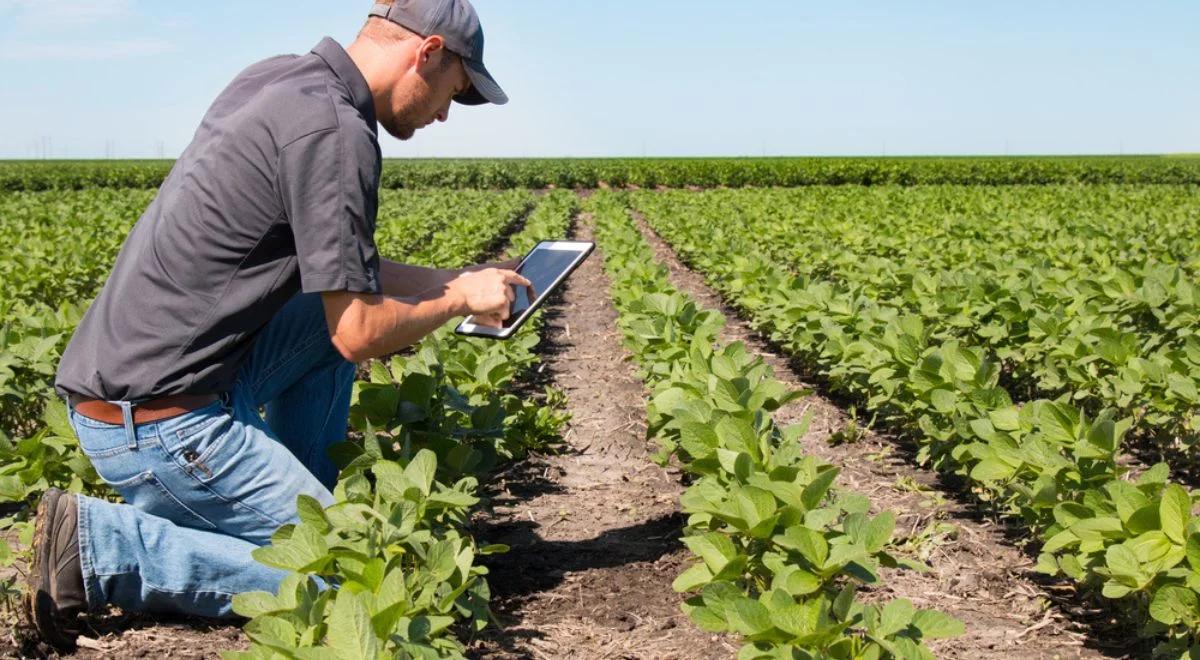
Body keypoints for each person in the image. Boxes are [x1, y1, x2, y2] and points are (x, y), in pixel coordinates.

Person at [26, 0, 528, 649]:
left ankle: (288, 503)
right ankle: (104, 546)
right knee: (353, 581)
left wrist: (455, 278)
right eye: (452, 93)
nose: (442, 114)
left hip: (146, 382)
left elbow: (347, 283)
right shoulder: (339, 135)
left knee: (322, 322)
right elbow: (358, 331)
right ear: (426, 52)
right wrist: (460, 303)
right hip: (155, 422)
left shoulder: (282, 80)